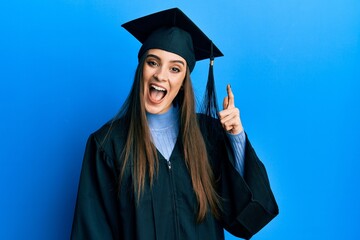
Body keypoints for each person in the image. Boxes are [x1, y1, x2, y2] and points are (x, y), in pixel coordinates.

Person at [71, 8, 278, 240]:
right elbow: (92, 233)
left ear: (183, 82)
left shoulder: (208, 135)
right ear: (141, 69)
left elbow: (248, 217)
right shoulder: (107, 145)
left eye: (174, 68)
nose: (161, 75)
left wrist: (236, 139)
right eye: (153, 62)